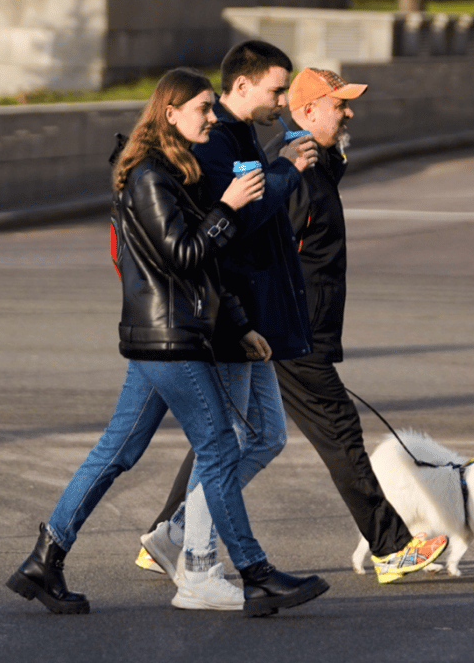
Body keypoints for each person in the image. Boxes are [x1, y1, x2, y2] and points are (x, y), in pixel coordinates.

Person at [5, 67, 328, 617]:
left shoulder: (179, 172)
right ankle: (253, 573)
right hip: (168, 338)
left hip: (167, 334)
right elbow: (183, 256)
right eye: (202, 108)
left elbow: (210, 268)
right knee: (221, 449)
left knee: (118, 451)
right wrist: (227, 207)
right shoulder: (149, 177)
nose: (211, 116)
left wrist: (240, 323)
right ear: (170, 114)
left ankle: (45, 558)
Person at [141, 67, 448, 586]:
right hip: (290, 331)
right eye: (339, 105)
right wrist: (264, 322)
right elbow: (261, 245)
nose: (349, 112)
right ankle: (391, 547)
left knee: (227, 434)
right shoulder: (295, 173)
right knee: (338, 432)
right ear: (306, 113)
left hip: (291, 329)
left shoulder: (317, 164)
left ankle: (166, 535)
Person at [134, 40, 319, 607]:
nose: (282, 100)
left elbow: (256, 221)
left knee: (264, 436)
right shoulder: (215, 144)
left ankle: (176, 534)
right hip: (226, 317)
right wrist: (285, 172)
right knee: (228, 440)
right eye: (276, 90)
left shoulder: (238, 139)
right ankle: (196, 560)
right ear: (242, 86)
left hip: (248, 314)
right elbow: (231, 229)